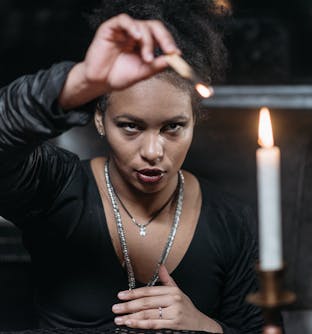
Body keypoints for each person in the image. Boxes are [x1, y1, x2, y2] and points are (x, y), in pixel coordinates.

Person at [0, 0, 264, 333]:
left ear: (195, 120)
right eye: (131, 126)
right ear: (99, 119)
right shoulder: (54, 188)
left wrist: (205, 326)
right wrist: (81, 81)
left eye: (173, 127)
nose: (153, 152)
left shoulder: (231, 220)